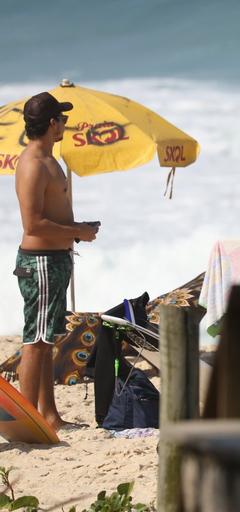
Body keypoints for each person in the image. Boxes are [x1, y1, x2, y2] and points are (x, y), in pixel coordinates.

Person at [14, 92, 99, 430]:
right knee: (35, 341)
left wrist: (77, 232)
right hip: (41, 263)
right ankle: (27, 420)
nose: (65, 123)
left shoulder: (51, 159)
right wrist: (77, 229)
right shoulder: (33, 164)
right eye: (62, 118)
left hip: (55, 259)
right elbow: (32, 223)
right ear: (52, 123)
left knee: (47, 338)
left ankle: (49, 415)